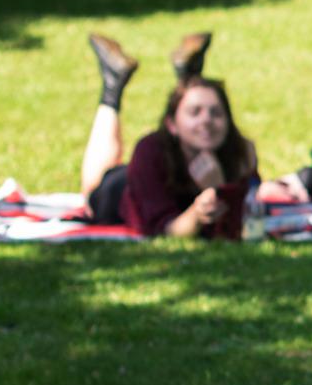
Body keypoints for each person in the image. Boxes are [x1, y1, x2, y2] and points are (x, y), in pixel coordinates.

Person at [81, 31, 254, 239]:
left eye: (216, 113)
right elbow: (165, 231)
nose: (207, 120)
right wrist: (206, 201)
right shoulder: (150, 151)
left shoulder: (241, 153)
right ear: (171, 124)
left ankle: (186, 76)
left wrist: (223, 188)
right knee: (92, 188)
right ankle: (113, 85)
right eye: (194, 112)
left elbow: (239, 228)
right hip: (122, 190)